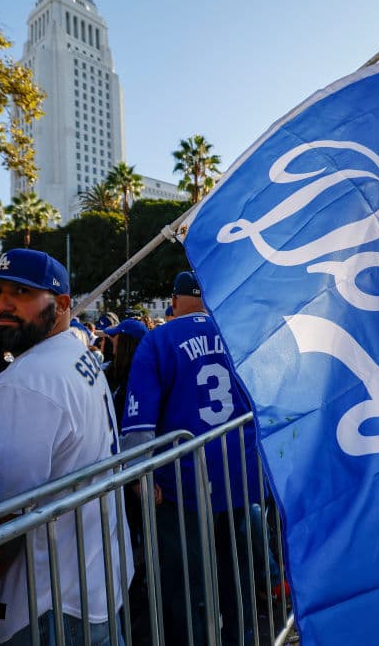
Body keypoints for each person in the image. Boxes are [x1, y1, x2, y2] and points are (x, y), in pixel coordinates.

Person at [0, 249, 132, 645]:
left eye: (21, 292)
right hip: (88, 583)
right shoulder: (75, 353)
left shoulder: (26, 382)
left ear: (63, 304)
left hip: (43, 604)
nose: (2, 306)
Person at [121, 271, 262, 646]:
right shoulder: (237, 332)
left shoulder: (158, 340)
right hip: (241, 477)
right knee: (238, 576)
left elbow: (139, 426)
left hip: (182, 486)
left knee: (186, 587)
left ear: (176, 298)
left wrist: (140, 477)